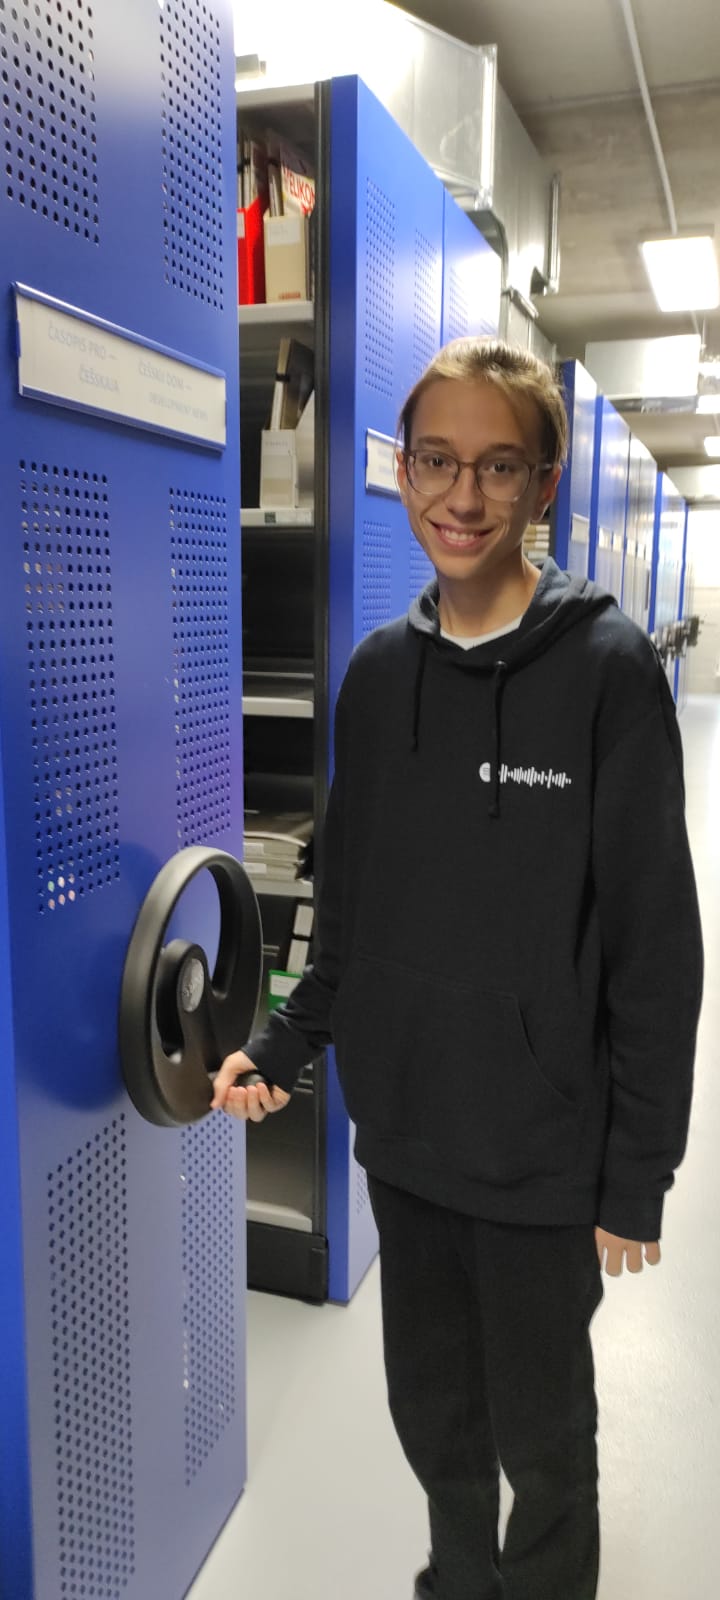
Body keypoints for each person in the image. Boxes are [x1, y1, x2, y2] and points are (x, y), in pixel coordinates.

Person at [211, 337, 704, 1600]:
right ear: (404, 469)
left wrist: (636, 1174)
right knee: (433, 1413)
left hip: (541, 1152)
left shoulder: (606, 671)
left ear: (541, 485)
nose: (463, 496)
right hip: (407, 1136)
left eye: (497, 466)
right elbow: (351, 904)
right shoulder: (379, 678)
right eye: (437, 461)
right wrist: (284, 1044)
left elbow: (656, 947)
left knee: (544, 1442)